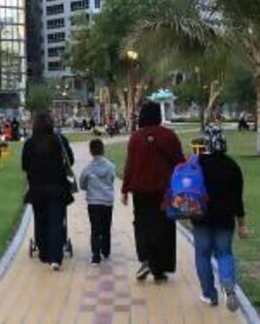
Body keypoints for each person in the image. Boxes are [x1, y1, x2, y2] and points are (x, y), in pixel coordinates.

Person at [121, 102, 185, 282]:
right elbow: (179, 162)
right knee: (164, 226)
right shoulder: (169, 136)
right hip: (164, 190)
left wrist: (125, 189)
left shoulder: (135, 138)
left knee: (142, 224)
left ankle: (146, 258)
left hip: (140, 190)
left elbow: (130, 165)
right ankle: (160, 267)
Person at [193, 125, 249, 310]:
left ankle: (209, 295)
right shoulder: (232, 166)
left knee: (202, 255)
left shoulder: (197, 164)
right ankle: (228, 283)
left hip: (201, 217)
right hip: (225, 219)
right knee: (224, 253)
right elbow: (237, 199)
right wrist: (242, 224)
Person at [22, 113, 75, 270]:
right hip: (58, 187)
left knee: (40, 220)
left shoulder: (30, 143)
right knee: (56, 222)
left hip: (37, 188)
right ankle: (55, 258)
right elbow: (70, 160)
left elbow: (25, 165)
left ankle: (43, 252)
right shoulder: (59, 140)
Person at [79, 139, 115, 265]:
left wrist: (90, 187)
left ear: (91, 151)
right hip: (107, 201)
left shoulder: (88, 169)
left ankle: (95, 255)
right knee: (106, 226)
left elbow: (82, 184)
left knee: (95, 228)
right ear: (103, 149)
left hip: (93, 202)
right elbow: (111, 179)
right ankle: (106, 250)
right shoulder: (110, 166)